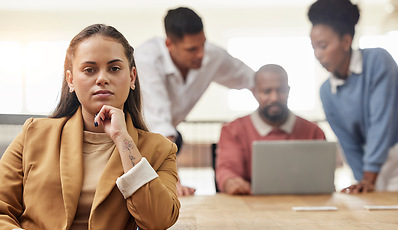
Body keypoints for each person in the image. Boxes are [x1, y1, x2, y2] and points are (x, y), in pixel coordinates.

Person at [0, 24, 180, 230]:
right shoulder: (33, 134)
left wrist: (123, 140)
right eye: (89, 70)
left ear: (132, 77)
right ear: (71, 80)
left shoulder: (160, 149)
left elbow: (158, 219)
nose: (102, 78)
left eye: (114, 68)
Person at [135, 7, 255, 196]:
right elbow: (159, 126)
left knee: (175, 140)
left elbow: (255, 81)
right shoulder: (147, 60)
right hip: (134, 135)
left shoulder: (212, 55)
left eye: (202, 45)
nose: (200, 54)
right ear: (169, 44)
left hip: (169, 138)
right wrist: (173, 181)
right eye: (191, 49)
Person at [308, 0, 398, 193]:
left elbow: (382, 122)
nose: (318, 54)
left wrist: (369, 176)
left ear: (346, 41)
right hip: (371, 169)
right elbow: (347, 142)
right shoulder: (326, 92)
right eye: (313, 47)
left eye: (323, 46)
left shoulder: (378, 61)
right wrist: (363, 181)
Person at [215, 64, 326, 195]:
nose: (274, 98)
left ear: (288, 91)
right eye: (267, 91)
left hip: (303, 205)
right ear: (254, 93)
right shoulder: (233, 131)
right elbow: (227, 169)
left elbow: (322, 178)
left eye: (281, 90)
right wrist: (231, 181)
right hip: (250, 204)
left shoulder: (314, 132)